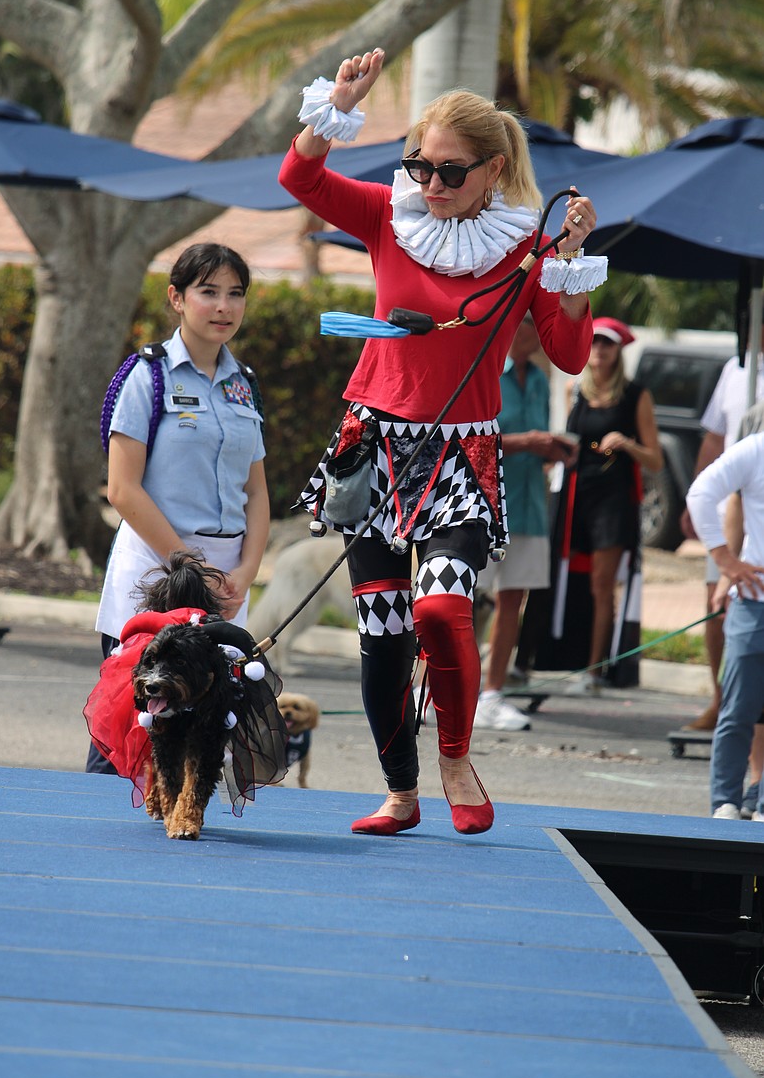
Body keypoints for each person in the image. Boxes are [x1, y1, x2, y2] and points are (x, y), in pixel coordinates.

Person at [278, 47, 601, 835]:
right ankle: (400, 788)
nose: (432, 184)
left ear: (494, 171)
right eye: (421, 165)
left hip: (462, 454)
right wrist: (339, 107)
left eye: (452, 172)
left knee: (443, 606)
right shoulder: (391, 217)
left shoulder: (524, 248)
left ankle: (455, 754)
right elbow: (300, 181)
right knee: (382, 631)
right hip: (376, 446)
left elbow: (568, 355)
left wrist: (570, 266)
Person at [86, 242, 270, 774]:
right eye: (208, 292)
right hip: (156, 572)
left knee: (208, 728)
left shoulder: (245, 385)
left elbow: (256, 492)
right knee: (132, 724)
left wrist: (246, 571)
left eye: (235, 294)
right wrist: (193, 569)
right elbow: (123, 489)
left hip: (228, 582)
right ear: (176, 298)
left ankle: (186, 839)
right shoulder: (149, 375)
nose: (224, 307)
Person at [524, 317, 663, 695]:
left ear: (619, 351)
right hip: (575, 493)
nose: (599, 350)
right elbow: (572, 438)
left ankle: (594, 670)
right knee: (557, 574)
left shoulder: (636, 395)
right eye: (595, 342)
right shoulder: (576, 389)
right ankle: (540, 659)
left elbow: (656, 460)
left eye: (607, 344)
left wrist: (627, 443)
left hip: (614, 499)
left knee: (603, 584)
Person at [472, 315, 578, 731]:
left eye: (536, 325)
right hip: (482, 505)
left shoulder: (537, 378)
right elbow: (471, 438)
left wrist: (551, 449)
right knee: (458, 603)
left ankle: (492, 694)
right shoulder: (485, 370)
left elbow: (532, 438)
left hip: (530, 505)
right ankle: (433, 691)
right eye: (527, 323)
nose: (532, 333)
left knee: (512, 604)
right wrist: (529, 442)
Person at [678, 334, 764, 732]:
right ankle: (720, 699)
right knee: (718, 608)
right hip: (734, 505)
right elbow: (714, 437)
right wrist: (724, 555)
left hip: (749, 510)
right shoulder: (736, 368)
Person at [686, 430, 764, 821]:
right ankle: (725, 804)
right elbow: (701, 494)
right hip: (754, 602)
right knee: (737, 709)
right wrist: (723, 559)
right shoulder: (757, 448)